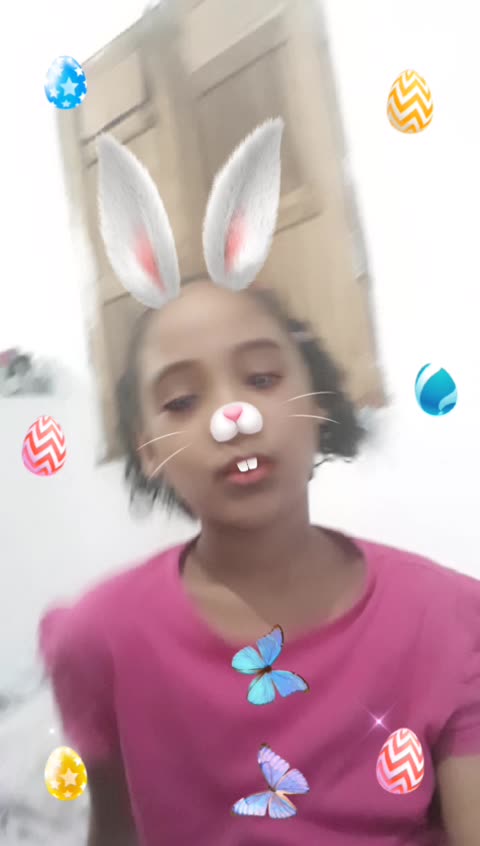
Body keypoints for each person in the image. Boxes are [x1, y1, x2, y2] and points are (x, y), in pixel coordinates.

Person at [39, 119, 480, 846]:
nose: (231, 418)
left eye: (264, 378)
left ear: (317, 402)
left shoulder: (452, 621)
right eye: (183, 400)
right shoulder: (101, 638)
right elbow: (114, 830)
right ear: (148, 450)